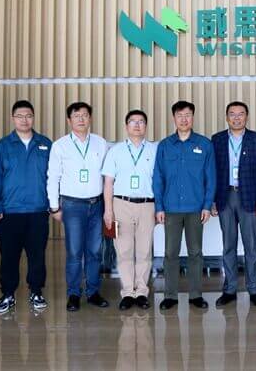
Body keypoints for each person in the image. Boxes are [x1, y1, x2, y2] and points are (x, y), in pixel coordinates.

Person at [0, 100, 54, 313]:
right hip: (10, 212)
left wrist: (53, 204)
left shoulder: (45, 144)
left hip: (38, 211)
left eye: (28, 116)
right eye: (20, 116)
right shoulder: (3, 146)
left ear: (33, 118)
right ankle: (8, 294)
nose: (24, 120)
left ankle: (36, 291)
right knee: (9, 256)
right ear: (13, 118)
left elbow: (54, 177)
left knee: (37, 256)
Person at [153, 101, 216, 311]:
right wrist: (159, 207)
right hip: (171, 208)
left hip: (196, 208)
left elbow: (210, 177)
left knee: (195, 252)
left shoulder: (204, 144)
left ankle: (196, 295)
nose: (184, 119)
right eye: (180, 115)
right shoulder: (165, 145)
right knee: (170, 253)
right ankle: (170, 295)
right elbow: (158, 177)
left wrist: (207, 205)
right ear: (174, 118)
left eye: (188, 115)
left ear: (193, 117)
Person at [48, 102, 110, 312]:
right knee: (74, 252)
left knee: (94, 251)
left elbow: (108, 176)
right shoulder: (60, 145)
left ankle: (93, 292)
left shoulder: (101, 143)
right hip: (72, 205)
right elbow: (53, 177)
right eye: (76, 116)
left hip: (96, 204)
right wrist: (54, 207)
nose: (81, 119)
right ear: (69, 120)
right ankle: (73, 293)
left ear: (90, 118)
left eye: (85, 115)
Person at [211, 101, 256, 308]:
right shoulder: (217, 139)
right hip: (225, 196)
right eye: (232, 114)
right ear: (227, 117)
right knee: (228, 245)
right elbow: (212, 171)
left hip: (250, 197)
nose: (236, 118)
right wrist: (212, 200)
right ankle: (230, 289)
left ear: (247, 116)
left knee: (251, 246)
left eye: (240, 114)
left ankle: (254, 290)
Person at [101, 110, 158, 311]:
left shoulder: (154, 150)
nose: (137, 125)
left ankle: (141, 292)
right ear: (126, 126)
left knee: (144, 250)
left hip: (147, 205)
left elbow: (160, 181)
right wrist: (108, 210)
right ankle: (127, 292)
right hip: (121, 204)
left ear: (146, 126)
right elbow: (108, 182)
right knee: (123, 250)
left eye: (141, 121)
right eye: (133, 121)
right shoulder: (115, 151)